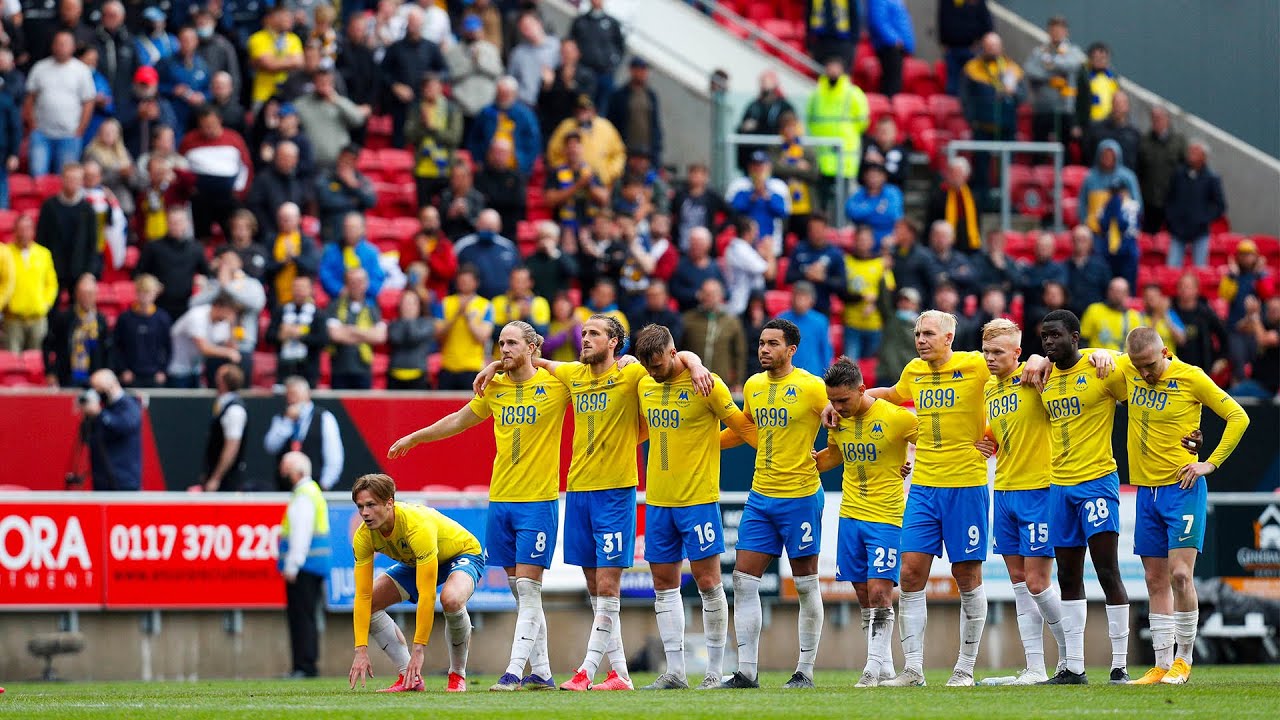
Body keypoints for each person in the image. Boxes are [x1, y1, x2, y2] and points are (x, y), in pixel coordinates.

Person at [387, 321, 571, 692]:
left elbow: (590, 371)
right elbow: (458, 421)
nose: (503, 350)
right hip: (501, 500)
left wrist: (511, 364)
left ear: (533, 347)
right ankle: (544, 671)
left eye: (512, 343)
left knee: (530, 590)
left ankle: (514, 671)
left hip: (539, 501)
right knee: (520, 591)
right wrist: (415, 437)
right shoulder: (496, 389)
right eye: (500, 344)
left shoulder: (557, 384)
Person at [858, 310, 993, 687]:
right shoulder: (914, 370)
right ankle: (913, 670)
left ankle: (965, 668)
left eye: (929, 333)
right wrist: (851, 399)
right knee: (910, 573)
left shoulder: (977, 365)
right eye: (918, 333)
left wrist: (993, 433)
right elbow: (892, 395)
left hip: (966, 485)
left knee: (966, 575)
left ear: (949, 337)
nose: (921, 339)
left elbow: (1014, 380)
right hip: (923, 488)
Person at [1119, 328, 1249, 685]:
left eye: (1149, 365)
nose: (1144, 373)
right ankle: (1161, 664)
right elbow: (1092, 359)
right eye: (1137, 366)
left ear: (1164, 352)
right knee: (1153, 579)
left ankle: (1184, 660)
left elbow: (1239, 416)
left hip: (1183, 488)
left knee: (1180, 575)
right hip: (1147, 492)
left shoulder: (1191, 377)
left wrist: (1210, 462)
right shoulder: (1128, 371)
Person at [630, 324, 754, 689]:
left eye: (657, 365)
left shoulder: (706, 384)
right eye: (647, 367)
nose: (653, 372)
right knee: (664, 585)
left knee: (709, 582)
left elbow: (744, 427)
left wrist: (712, 443)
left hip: (698, 500)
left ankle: (715, 670)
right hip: (658, 502)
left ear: (672, 354)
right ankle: (676, 672)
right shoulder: (644, 383)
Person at [718, 319, 829, 689]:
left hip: (800, 497)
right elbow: (745, 429)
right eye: (761, 343)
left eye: (772, 344)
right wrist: (705, 443)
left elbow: (847, 418)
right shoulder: (753, 385)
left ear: (791, 349)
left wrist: (828, 454)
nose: (764, 349)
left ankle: (805, 671)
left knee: (805, 585)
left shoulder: (813, 387)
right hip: (761, 496)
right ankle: (747, 672)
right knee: (743, 581)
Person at [1024, 309, 1130, 684]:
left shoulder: (1102, 370)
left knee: (1107, 571)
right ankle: (1074, 667)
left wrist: (1110, 353)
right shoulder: (1044, 377)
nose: (1048, 342)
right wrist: (1036, 358)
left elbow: (1145, 370)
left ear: (1075, 337)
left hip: (1097, 482)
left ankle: (1119, 666)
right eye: (1043, 337)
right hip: (1060, 487)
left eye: (1054, 335)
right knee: (1068, 575)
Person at [973, 319, 1069, 685]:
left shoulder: (1036, 378)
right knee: (1018, 581)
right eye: (986, 353)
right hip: (1005, 491)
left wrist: (1039, 358)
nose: (991, 359)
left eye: (998, 352)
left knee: (1037, 582)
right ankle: (1034, 667)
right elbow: (998, 432)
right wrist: (988, 441)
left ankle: (1070, 658)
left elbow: (1061, 365)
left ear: (1016, 352)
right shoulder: (989, 391)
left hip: (1039, 490)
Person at [813, 356, 917, 687]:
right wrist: (811, 462)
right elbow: (835, 455)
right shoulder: (837, 420)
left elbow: (933, 444)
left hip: (886, 516)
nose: (837, 406)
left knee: (879, 591)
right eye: (832, 400)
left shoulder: (896, 418)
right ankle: (884, 665)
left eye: (843, 400)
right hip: (850, 516)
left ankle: (871, 668)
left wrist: (911, 464)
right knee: (862, 592)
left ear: (862, 389)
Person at [345, 472, 480, 693]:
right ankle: (409, 678)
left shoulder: (416, 526)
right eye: (360, 507)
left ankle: (457, 675)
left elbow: (427, 595)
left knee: (451, 600)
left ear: (390, 503)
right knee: (370, 605)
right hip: (417, 561)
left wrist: (419, 649)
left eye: (371, 505)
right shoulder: (363, 536)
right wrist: (360, 649)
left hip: (461, 553)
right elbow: (363, 595)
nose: (365, 513)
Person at [275, 451, 332, 679]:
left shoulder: (303, 495)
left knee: (301, 618)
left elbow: (301, 533)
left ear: (297, 471)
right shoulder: (312, 492)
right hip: (313, 565)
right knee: (307, 616)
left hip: (305, 566)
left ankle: (304, 666)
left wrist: (292, 565)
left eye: (286, 469)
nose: (283, 473)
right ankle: (306, 664)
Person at [960, 32, 1025, 209]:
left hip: (1006, 126)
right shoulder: (972, 68)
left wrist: (1014, 92)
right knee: (981, 168)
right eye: (988, 46)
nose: (992, 50)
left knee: (1007, 168)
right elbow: (965, 98)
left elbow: (1022, 97)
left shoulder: (1012, 68)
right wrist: (971, 119)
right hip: (982, 126)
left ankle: (1007, 203)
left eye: (995, 46)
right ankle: (983, 204)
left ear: (1001, 48)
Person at [24, 30, 96, 177]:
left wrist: (80, 129)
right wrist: (32, 125)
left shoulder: (81, 70)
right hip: (41, 133)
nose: (61, 47)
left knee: (65, 179)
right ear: (53, 46)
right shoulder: (40, 68)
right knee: (38, 177)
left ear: (73, 47)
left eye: (65, 44)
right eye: (58, 43)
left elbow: (88, 102)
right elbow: (30, 98)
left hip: (69, 135)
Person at [806, 56, 869, 213]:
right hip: (822, 158)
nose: (832, 71)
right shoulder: (817, 93)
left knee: (844, 205)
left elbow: (863, 122)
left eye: (835, 66)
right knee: (821, 204)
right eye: (829, 66)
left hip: (845, 158)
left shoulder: (853, 93)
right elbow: (810, 120)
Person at [180, 106, 252, 240]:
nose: (208, 130)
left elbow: (246, 167)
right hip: (201, 197)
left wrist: (239, 192)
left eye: (211, 125)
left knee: (232, 231)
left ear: (220, 120)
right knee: (201, 234)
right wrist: (190, 188)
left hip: (228, 196)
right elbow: (181, 167)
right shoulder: (189, 140)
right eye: (204, 126)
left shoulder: (234, 138)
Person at [264, 376, 345, 491]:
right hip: (284, 487)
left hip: (314, 485)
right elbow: (271, 447)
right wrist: (287, 422)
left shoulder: (323, 417)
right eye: (289, 395)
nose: (293, 399)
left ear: (307, 394)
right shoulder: (281, 418)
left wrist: (325, 484)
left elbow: (334, 456)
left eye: (296, 394)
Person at [135, 206, 210, 323]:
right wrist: (151, 284)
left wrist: (202, 280)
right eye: (173, 222)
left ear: (187, 224)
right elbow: (138, 274)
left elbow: (207, 274)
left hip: (186, 305)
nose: (176, 226)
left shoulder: (196, 248)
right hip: (158, 305)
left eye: (180, 222)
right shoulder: (153, 247)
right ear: (167, 223)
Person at [37, 162, 99, 302]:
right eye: (69, 179)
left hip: (78, 270)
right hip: (52, 269)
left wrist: (89, 273)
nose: (73, 183)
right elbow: (41, 239)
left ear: (82, 181)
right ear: (62, 179)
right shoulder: (49, 206)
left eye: (77, 179)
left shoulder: (87, 209)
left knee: (76, 316)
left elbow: (92, 243)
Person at [294, 68, 372, 172]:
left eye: (327, 82)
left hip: (339, 166)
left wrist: (336, 100)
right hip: (311, 164)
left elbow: (358, 120)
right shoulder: (301, 104)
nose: (324, 86)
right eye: (321, 82)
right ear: (314, 83)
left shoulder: (341, 102)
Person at [1165, 140, 1226, 269]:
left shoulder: (1212, 178)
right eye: (1190, 152)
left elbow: (1220, 206)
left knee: (1200, 270)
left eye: (1195, 152)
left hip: (1200, 232)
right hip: (1178, 231)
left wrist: (1203, 218)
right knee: (1172, 269)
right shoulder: (1178, 174)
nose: (1191, 155)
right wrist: (1172, 218)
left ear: (1204, 156)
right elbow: (1169, 198)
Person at [1023, 16, 1084, 143]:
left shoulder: (1073, 51)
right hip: (1042, 108)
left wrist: (1052, 63)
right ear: (1048, 31)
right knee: (1039, 148)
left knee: (1064, 148)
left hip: (1065, 109)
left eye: (1060, 30)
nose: (1056, 33)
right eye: (1053, 30)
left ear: (1066, 32)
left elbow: (1075, 64)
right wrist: (1051, 78)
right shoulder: (1039, 51)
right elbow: (1029, 70)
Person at [434, 265, 495, 391]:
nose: (464, 284)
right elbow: (437, 334)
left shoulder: (485, 305)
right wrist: (456, 315)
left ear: (476, 283)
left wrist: (469, 320)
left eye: (467, 281)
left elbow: (483, 337)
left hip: (472, 368)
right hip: (448, 366)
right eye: (461, 281)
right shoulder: (445, 303)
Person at [80, 369, 142, 491]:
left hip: (123, 479)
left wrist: (100, 414)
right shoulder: (105, 408)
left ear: (110, 386)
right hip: (101, 477)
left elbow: (123, 426)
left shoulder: (128, 404)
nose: (97, 393)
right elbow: (86, 438)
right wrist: (88, 416)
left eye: (98, 389)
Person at [467, 76, 541, 178]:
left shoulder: (526, 115)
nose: (502, 97)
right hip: (488, 167)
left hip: (516, 169)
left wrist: (524, 164)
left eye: (506, 94)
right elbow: (474, 139)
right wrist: (478, 160)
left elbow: (534, 144)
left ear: (514, 94)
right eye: (500, 93)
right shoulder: (486, 112)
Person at [44, 273, 110, 388]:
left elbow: (107, 350)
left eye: (90, 294)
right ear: (77, 294)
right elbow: (48, 345)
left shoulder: (101, 320)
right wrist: (51, 372)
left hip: (94, 378)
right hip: (68, 377)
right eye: (83, 293)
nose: (86, 298)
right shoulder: (64, 318)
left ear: (96, 295)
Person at [326, 268, 387, 390]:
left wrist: (350, 330)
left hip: (363, 368)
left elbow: (379, 337)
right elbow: (335, 335)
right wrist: (365, 334)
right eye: (352, 282)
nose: (356, 286)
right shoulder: (335, 306)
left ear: (366, 283)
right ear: (346, 284)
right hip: (339, 367)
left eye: (360, 281)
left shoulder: (373, 307)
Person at [4, 216, 58, 352]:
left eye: (27, 229)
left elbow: (51, 284)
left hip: (37, 319)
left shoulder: (44, 254)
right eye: (20, 229)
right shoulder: (5, 253)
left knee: (36, 360)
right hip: (12, 319)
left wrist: (46, 304)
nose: (23, 233)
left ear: (33, 231)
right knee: (12, 363)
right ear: (14, 231)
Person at [681, 278, 746, 390]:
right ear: (700, 295)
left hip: (722, 383)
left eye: (712, 294)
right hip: (691, 382)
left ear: (720, 296)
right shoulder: (687, 319)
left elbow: (739, 353)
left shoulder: (732, 322)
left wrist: (738, 382)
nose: (708, 297)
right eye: (705, 294)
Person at [197, 363, 250, 493]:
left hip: (227, 480)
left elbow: (232, 447)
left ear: (222, 381)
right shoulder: (223, 405)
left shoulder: (234, 410)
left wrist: (216, 478)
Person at [111, 273, 171, 388]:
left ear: (155, 294)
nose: (144, 296)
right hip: (131, 375)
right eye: (141, 291)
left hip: (154, 375)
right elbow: (116, 346)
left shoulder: (163, 318)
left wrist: (163, 370)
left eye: (148, 292)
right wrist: (123, 369)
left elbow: (168, 347)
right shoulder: (125, 318)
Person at [267, 276, 328, 389]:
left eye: (303, 288)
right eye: (296, 287)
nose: (299, 291)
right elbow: (269, 336)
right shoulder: (281, 311)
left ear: (311, 290)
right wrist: (281, 335)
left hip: (309, 369)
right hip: (285, 368)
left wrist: (300, 335)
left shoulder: (318, 314)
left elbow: (323, 340)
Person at [842, 225, 889, 362]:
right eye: (860, 239)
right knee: (850, 368)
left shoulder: (880, 264)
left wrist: (875, 304)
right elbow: (841, 292)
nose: (863, 243)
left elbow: (888, 292)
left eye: (866, 239)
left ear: (872, 241)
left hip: (875, 325)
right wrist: (861, 297)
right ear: (855, 240)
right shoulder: (846, 262)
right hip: (852, 323)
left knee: (871, 367)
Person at [569, 0, 625, 113]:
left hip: (604, 74)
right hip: (583, 72)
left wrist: (613, 64)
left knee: (600, 109)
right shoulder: (580, 21)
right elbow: (571, 43)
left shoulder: (612, 23)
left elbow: (620, 47)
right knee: (579, 106)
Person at [1138, 106, 1187, 234]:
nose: (1157, 121)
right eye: (1154, 118)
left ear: (1167, 120)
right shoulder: (1144, 141)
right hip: (1149, 202)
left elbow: (1186, 170)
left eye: (1160, 118)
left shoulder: (1179, 142)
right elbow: (1139, 169)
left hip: (1172, 201)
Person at [315, 145, 377, 245]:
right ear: (339, 157)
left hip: (355, 237)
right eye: (345, 158)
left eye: (352, 160)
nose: (347, 162)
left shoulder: (361, 180)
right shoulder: (326, 177)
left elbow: (371, 202)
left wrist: (353, 186)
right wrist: (353, 201)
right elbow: (325, 201)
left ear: (356, 162)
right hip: (331, 234)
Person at [607, 57, 662, 166]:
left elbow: (655, 125)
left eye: (644, 70)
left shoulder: (651, 95)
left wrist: (656, 149)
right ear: (632, 70)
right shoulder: (619, 95)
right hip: (624, 150)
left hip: (646, 152)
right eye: (640, 69)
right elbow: (612, 124)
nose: (643, 73)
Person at [736, 70, 795, 173]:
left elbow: (791, 125)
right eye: (763, 82)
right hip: (755, 153)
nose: (765, 86)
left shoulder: (784, 105)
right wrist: (745, 127)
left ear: (775, 84)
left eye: (768, 82)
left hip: (777, 154)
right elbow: (743, 127)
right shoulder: (753, 106)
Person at [319, 213, 386, 301]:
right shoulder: (331, 251)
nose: (349, 231)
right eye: (347, 227)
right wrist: (339, 289)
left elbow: (377, 278)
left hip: (366, 301)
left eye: (353, 228)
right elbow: (325, 275)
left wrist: (359, 291)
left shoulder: (371, 252)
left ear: (363, 229)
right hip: (338, 299)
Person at [454, 210, 520, 299]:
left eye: (491, 226)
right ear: (477, 224)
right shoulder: (463, 246)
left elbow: (517, 272)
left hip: (502, 303)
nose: (488, 229)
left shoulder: (508, 247)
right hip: (471, 302)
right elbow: (453, 272)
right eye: (485, 225)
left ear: (499, 227)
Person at [248, 4, 305, 107]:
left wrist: (275, 60)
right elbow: (269, 64)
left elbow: (299, 62)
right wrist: (289, 60)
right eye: (283, 17)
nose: (289, 20)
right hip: (264, 95)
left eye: (289, 17)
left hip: (290, 94)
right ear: (270, 18)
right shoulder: (257, 38)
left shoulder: (294, 39)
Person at [538, 38, 597, 135]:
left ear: (578, 53)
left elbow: (586, 102)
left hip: (575, 127)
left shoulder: (587, 75)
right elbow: (542, 104)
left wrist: (570, 85)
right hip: (553, 125)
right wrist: (546, 86)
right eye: (563, 51)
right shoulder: (554, 73)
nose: (567, 55)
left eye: (570, 51)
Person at [265, 202, 320, 307]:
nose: (285, 222)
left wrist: (294, 257)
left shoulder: (306, 241)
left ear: (299, 219)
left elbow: (312, 267)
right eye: (282, 218)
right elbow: (266, 268)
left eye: (288, 218)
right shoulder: (271, 240)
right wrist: (283, 262)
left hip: (302, 298)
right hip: (277, 297)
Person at [1172, 273, 1229, 374]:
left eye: (1188, 287)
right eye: (1181, 286)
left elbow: (1224, 336)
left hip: (1201, 370)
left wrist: (1222, 359)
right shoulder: (1170, 311)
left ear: (1196, 290)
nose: (1184, 290)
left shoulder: (1206, 313)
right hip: (1174, 370)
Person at [475, 138, 528, 240]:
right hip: (483, 229)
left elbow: (519, 202)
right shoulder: (480, 176)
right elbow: (479, 200)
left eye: (503, 153)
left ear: (510, 155)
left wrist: (492, 198)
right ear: (489, 153)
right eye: (496, 152)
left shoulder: (517, 177)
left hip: (509, 230)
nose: (498, 156)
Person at [925, 157, 980, 254]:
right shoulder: (939, 196)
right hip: (945, 247)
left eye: (957, 174)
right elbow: (930, 222)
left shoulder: (973, 197)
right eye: (951, 173)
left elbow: (977, 222)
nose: (953, 177)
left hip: (968, 246)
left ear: (966, 177)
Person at [936, 0, 992, 95]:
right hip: (952, 49)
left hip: (972, 50)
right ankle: (953, 108)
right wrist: (943, 42)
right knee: (953, 86)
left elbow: (987, 23)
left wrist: (980, 44)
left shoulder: (978, 2)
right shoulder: (947, 2)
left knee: (972, 85)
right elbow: (942, 19)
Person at [778, 282, 832, 377]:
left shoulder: (820, 321)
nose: (801, 301)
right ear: (792, 298)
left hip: (812, 374)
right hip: (787, 374)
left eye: (805, 298)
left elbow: (825, 349)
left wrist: (825, 374)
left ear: (812, 300)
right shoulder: (782, 320)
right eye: (798, 297)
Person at [672, 163, 729, 252]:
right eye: (693, 173)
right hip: (683, 243)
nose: (696, 177)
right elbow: (672, 213)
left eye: (699, 174)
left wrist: (719, 229)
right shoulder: (680, 195)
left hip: (704, 245)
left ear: (705, 177)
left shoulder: (712, 196)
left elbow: (731, 213)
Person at [507, 13, 559, 108]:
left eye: (529, 25)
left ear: (539, 23)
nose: (527, 30)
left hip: (548, 103)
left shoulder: (556, 46)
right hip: (522, 103)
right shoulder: (518, 53)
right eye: (523, 28)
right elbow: (510, 79)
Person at [846, 163, 903, 245]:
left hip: (887, 239)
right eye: (870, 176)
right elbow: (851, 212)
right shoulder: (858, 194)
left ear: (884, 177)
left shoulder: (893, 192)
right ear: (865, 177)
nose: (873, 179)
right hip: (863, 239)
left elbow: (893, 215)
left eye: (877, 176)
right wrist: (876, 207)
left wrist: (865, 212)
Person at [867, 0, 915, 97]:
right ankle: (888, 109)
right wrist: (894, 40)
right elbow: (877, 20)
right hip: (889, 47)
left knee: (896, 83)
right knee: (891, 84)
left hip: (898, 47)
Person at [1081, 277, 1143, 352]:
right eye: (1113, 290)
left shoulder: (1134, 316)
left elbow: (1138, 345)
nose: (1116, 295)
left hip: (1123, 360)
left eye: (1120, 291)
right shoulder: (1094, 310)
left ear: (1127, 294)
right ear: (1108, 291)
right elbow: (1083, 339)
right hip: (1096, 359)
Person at [1085, 91, 1140, 173]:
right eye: (1116, 103)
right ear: (1112, 105)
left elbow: (1138, 161)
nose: (1118, 107)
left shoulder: (1134, 134)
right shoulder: (1098, 130)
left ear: (1127, 106)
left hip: (1124, 182)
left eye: (1122, 104)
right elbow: (1088, 154)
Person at [1074, 42, 1119, 138]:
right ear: (1090, 59)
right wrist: (1077, 124)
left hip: (1110, 123)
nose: (1101, 61)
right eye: (1097, 58)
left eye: (1104, 58)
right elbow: (1077, 102)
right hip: (1090, 123)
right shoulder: (1084, 77)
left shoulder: (1113, 78)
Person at [1065, 225, 1111, 316]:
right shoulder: (1064, 266)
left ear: (1090, 243)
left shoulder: (1101, 266)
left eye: (1083, 240)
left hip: (1094, 315)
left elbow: (1107, 292)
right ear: (1072, 242)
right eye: (1077, 239)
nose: (1079, 243)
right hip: (1070, 316)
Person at [806, 0, 859, 69]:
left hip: (842, 43)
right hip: (820, 43)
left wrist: (852, 46)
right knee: (821, 76)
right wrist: (809, 46)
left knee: (842, 76)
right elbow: (808, 17)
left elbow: (854, 18)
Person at [860, 116, 909, 189]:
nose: (883, 135)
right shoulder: (869, 149)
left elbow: (902, 177)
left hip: (892, 192)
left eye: (886, 131)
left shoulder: (901, 152)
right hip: (868, 192)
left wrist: (882, 162)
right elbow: (860, 176)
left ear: (894, 133)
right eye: (880, 131)